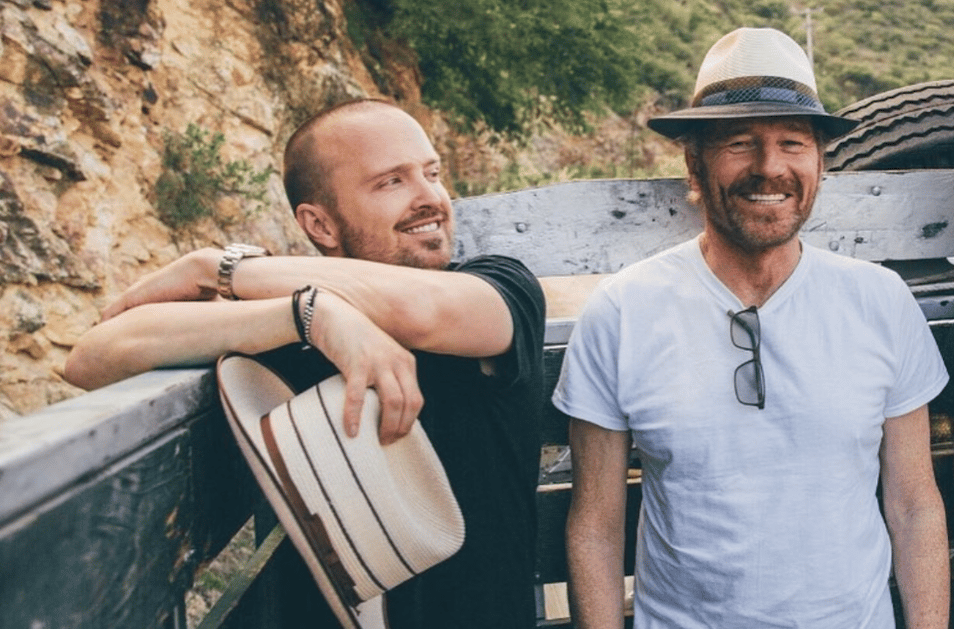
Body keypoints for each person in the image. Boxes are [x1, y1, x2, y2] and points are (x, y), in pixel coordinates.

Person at [64, 99, 545, 628]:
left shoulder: (500, 285)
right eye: (392, 182)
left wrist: (216, 267)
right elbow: (92, 359)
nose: (431, 197)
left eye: (431, 173)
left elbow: (419, 310)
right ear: (319, 224)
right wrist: (308, 316)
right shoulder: (289, 319)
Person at [553, 27, 949, 629]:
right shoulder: (623, 311)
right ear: (695, 160)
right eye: (740, 142)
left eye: (793, 142)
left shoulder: (880, 302)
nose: (770, 167)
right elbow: (595, 527)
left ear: (819, 161)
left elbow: (915, 505)